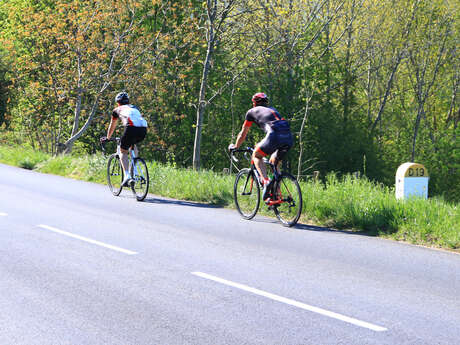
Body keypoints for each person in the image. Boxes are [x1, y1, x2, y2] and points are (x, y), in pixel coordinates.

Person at [229, 92, 293, 201]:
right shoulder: (273, 110)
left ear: (254, 103)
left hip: (274, 135)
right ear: (266, 102)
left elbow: (243, 133)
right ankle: (276, 195)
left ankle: (266, 181)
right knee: (274, 163)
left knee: (256, 155)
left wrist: (235, 146)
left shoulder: (251, 112)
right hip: (288, 136)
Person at [101, 91, 148, 186]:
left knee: (123, 151)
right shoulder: (134, 107)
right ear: (128, 101)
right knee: (132, 145)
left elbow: (112, 125)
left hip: (131, 127)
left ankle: (127, 176)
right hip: (143, 128)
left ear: (118, 102)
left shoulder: (117, 110)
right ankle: (135, 170)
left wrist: (108, 137)